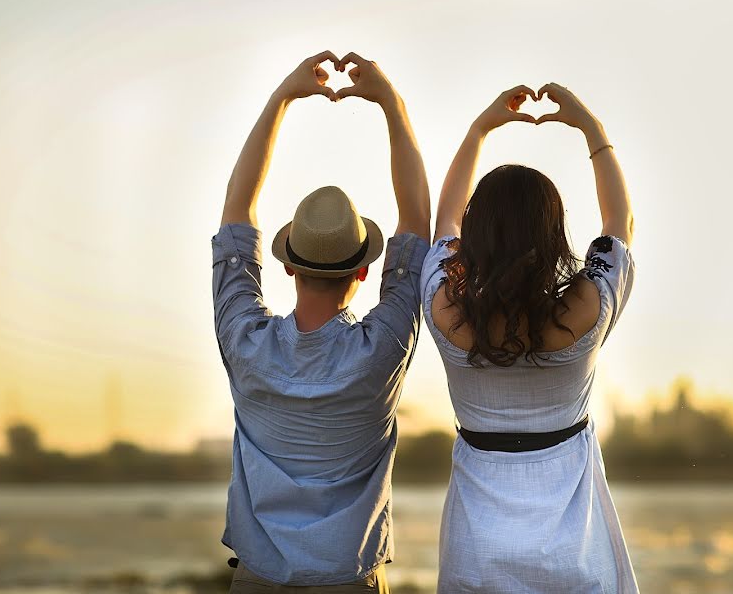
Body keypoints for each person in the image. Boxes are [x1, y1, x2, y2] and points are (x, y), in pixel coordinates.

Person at [211, 50, 430, 593]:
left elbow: (236, 214)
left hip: (256, 580)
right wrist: (391, 105)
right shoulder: (382, 351)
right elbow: (418, 223)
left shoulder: (245, 342)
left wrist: (282, 97)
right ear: (364, 270)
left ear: (286, 264)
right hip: (349, 581)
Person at [421, 83, 639, 593]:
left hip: (476, 555)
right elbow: (619, 224)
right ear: (554, 233)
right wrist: (591, 128)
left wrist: (479, 131)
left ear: (477, 234)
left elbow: (444, 223)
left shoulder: (444, 305)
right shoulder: (587, 305)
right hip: (575, 558)